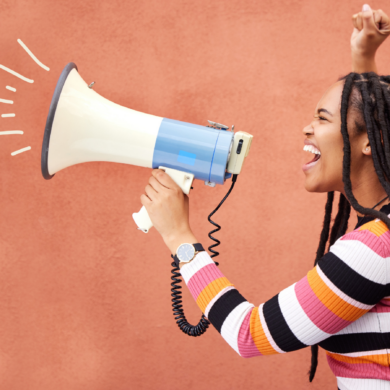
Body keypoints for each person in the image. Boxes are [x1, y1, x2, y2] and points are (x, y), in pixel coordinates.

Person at [139, 5, 390, 389]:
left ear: (371, 142)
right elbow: (373, 122)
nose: (307, 128)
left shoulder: (375, 249)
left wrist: (180, 239)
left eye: (322, 119)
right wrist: (363, 59)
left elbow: (250, 334)